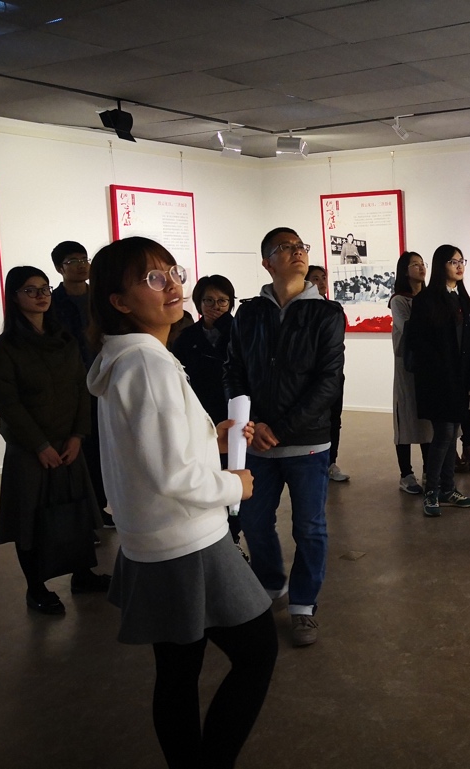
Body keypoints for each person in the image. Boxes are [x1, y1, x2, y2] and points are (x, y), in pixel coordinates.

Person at [87, 237, 276, 769]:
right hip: (188, 541)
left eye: (173, 272)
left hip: (152, 541)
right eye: (153, 278)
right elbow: (173, 474)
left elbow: (149, 454)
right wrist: (235, 486)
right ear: (119, 301)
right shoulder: (148, 365)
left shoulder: (123, 359)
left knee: (177, 670)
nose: (172, 285)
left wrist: (211, 437)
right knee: (257, 653)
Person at [225, 227, 345, 647]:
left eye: (300, 247)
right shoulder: (250, 313)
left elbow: (328, 380)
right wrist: (253, 422)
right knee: (254, 522)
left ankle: (304, 605)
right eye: (286, 248)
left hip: (308, 442)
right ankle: (272, 584)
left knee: (310, 527)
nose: (297, 252)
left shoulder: (326, 314)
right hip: (257, 442)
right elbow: (234, 370)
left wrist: (280, 429)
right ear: (267, 262)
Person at [0, 266, 109, 616]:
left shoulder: (64, 339)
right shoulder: (5, 348)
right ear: (14, 297)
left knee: (77, 512)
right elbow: (7, 404)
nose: (41, 296)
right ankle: (36, 588)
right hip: (30, 449)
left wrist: (78, 435)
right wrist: (39, 445)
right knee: (30, 520)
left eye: (44, 289)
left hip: (68, 443)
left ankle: (82, 575)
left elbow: (81, 389)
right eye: (31, 290)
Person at [171, 274, 247, 555]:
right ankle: (211, 537)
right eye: (209, 301)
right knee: (206, 476)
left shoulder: (239, 332)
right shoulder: (187, 337)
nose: (216, 307)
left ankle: (233, 538)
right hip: (200, 418)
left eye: (223, 301)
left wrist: (228, 326)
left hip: (233, 415)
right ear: (199, 303)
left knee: (233, 475)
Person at [406, 245, 470, 517]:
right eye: (453, 261)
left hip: (459, 380)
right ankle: (433, 490)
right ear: (441, 265)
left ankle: (447, 488)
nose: (459, 266)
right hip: (437, 380)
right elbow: (419, 344)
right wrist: (442, 371)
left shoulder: (463, 298)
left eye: (462, 261)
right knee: (444, 434)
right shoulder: (426, 300)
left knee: (453, 433)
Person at [48, 241, 111, 527]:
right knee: (80, 449)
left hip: (104, 380)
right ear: (59, 268)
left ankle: (103, 506)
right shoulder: (53, 303)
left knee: (103, 447)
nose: (81, 265)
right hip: (71, 386)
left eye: (84, 259)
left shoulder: (99, 298)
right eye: (72, 261)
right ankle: (88, 512)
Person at [388, 251, 432, 494]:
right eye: (415, 264)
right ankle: (406, 474)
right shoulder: (399, 300)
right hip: (407, 365)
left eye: (422, 264)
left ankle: (428, 470)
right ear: (404, 271)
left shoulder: (428, 297)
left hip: (427, 365)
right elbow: (408, 328)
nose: (421, 268)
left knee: (426, 420)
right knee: (405, 419)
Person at [306, 265, 349, 483]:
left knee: (334, 418)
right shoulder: (302, 310)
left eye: (323, 277)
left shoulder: (333, 308)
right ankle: (314, 461)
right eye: (316, 278)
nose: (322, 282)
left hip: (333, 373)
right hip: (310, 375)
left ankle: (331, 462)